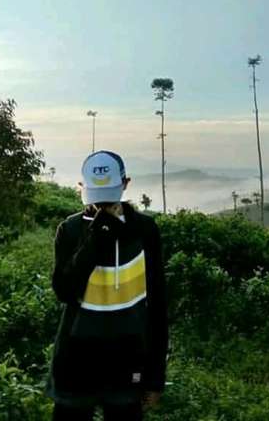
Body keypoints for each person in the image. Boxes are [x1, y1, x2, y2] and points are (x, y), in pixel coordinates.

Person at [46, 150, 168, 420]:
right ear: (82, 187)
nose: (101, 204)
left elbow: (158, 306)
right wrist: (98, 236)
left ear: (125, 184)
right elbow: (64, 291)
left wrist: (155, 377)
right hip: (76, 361)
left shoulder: (144, 231)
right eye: (96, 196)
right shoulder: (70, 230)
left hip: (128, 359)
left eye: (108, 195)